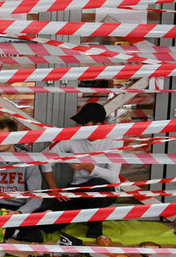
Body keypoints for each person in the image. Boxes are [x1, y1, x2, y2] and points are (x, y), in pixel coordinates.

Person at [41, 102, 122, 238]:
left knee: (97, 186)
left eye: (84, 124)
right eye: (79, 124)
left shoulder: (114, 139)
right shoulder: (73, 137)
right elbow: (45, 161)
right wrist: (55, 191)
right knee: (48, 226)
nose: (79, 127)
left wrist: (88, 167)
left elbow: (113, 177)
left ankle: (96, 234)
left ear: (98, 125)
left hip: (105, 190)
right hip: (77, 190)